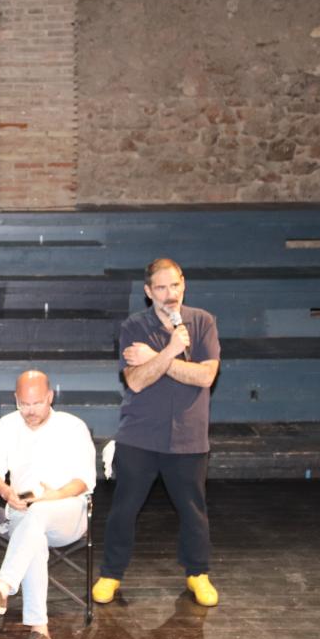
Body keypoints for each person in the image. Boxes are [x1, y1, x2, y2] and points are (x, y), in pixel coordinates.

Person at [92, 257, 221, 608]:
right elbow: (135, 381)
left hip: (189, 436)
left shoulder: (203, 322)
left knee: (193, 510)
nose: (170, 294)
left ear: (184, 284)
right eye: (161, 288)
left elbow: (206, 376)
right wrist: (170, 351)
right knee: (124, 509)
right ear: (149, 292)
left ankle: (198, 573)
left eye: (175, 285)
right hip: (140, 435)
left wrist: (155, 358)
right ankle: (111, 573)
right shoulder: (134, 326)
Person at [0, 370, 96, 639]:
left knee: (37, 514)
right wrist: (6, 491)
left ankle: (2, 586)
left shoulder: (73, 427)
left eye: (37, 403)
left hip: (66, 510)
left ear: (50, 397)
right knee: (33, 531)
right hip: (23, 511)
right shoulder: (6, 426)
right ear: (16, 399)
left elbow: (85, 480)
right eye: (24, 404)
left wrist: (54, 495)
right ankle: (39, 631)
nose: (30, 410)